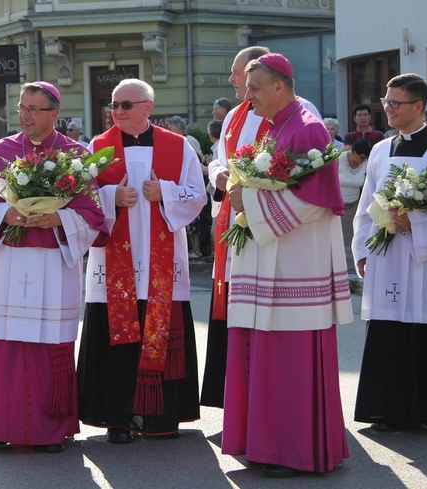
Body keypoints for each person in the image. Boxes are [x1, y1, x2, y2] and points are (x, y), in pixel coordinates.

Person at [223, 53, 353, 478]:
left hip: (298, 263)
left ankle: (294, 449)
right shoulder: (277, 126)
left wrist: (247, 200)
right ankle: (268, 443)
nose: (248, 95)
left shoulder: (307, 127)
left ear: (279, 86)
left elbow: (315, 202)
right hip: (271, 257)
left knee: (289, 358)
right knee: (267, 353)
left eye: (255, 88)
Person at [0, 81, 108, 455]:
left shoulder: (75, 157)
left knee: (49, 345)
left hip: (53, 262)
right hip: (8, 261)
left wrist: (59, 220)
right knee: (3, 343)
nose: (25, 116)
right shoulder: (0, 152)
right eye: (21, 108)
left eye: (33, 109)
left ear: (53, 114)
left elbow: (94, 215)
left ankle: (50, 429)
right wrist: (4, 212)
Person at [78, 78, 207, 442]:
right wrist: (110, 196)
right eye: (114, 106)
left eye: (125, 105)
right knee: (116, 336)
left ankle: (160, 417)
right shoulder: (99, 146)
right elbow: (83, 198)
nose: (116, 112)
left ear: (147, 108)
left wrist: (163, 191)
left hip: (161, 260)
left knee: (158, 330)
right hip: (113, 260)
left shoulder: (177, 146)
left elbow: (197, 196)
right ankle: (117, 419)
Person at [352, 74, 427, 435]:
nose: (386, 109)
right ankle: (390, 411)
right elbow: (365, 204)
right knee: (390, 327)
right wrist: (361, 249)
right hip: (388, 258)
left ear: (417, 107)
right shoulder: (379, 150)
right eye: (385, 102)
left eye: (394, 103)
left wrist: (414, 223)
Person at [201, 45, 271, 409]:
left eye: (236, 72)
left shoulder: (295, 112)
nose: (231, 79)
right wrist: (220, 174)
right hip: (233, 214)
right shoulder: (235, 116)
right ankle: (230, 394)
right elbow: (217, 161)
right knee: (230, 297)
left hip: (267, 222)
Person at [166, 115, 206, 258]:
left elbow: (197, 160)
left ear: (178, 127)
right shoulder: (175, 141)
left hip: (191, 183)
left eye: (171, 127)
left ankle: (197, 249)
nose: (169, 130)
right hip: (179, 185)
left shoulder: (188, 141)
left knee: (193, 222)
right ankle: (191, 250)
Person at [337, 138, 371, 247]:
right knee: (339, 238)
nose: (363, 159)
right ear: (354, 152)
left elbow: (367, 186)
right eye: (362, 156)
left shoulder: (366, 163)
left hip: (355, 206)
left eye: (366, 157)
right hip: (338, 207)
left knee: (354, 237)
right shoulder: (339, 159)